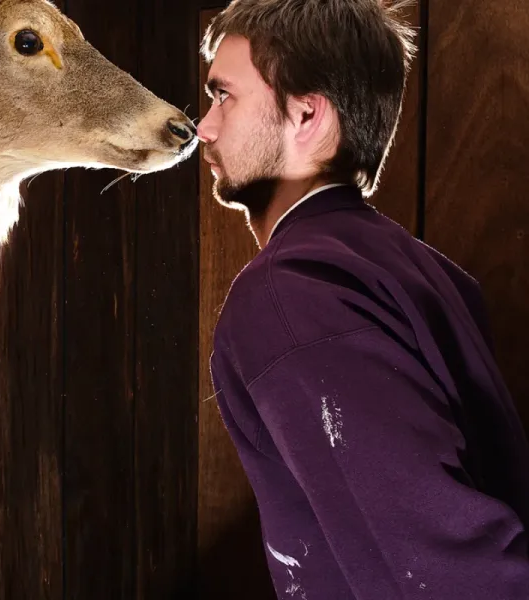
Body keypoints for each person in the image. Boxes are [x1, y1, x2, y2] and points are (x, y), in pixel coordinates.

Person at [197, 1, 529, 598]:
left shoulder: (291, 293)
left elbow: (444, 570)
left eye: (225, 96)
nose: (205, 126)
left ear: (306, 114)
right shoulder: (420, 268)